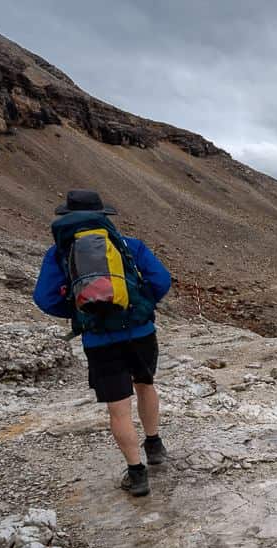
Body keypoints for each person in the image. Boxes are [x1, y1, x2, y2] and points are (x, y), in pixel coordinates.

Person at [32, 190, 172, 496]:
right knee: (146, 385)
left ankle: (137, 475)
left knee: (118, 408)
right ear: (104, 216)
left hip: (99, 340)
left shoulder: (59, 254)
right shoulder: (129, 246)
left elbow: (43, 298)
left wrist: (81, 311)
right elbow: (161, 280)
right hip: (140, 332)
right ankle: (155, 445)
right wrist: (142, 306)